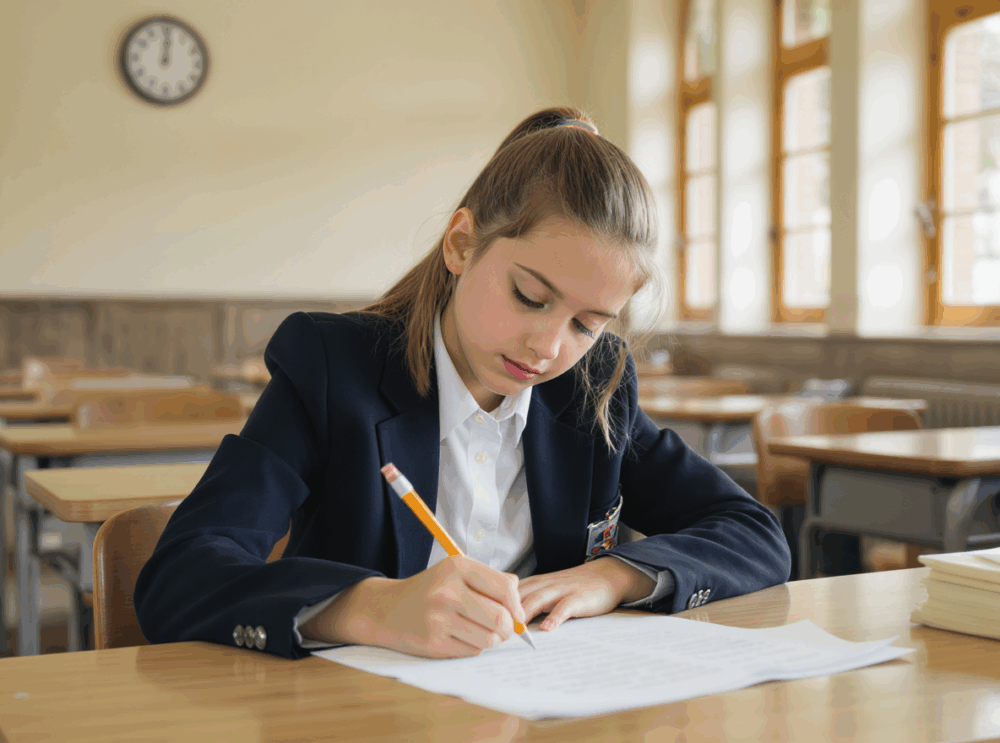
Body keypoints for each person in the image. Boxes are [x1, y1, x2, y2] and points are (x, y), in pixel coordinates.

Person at [134, 107, 791, 660]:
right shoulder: (333, 370)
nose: (548, 346)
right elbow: (181, 574)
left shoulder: (593, 388)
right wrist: (365, 607)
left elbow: (753, 531)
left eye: (588, 323)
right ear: (461, 244)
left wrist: (614, 575)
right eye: (530, 296)